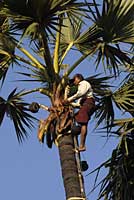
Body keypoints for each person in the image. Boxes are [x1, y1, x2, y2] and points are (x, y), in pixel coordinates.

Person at [64, 74, 95, 152]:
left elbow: (79, 93)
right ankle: (70, 131)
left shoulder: (84, 83)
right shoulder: (82, 93)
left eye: (74, 80)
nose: (74, 82)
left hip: (88, 103)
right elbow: (78, 104)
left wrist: (69, 99)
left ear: (78, 78)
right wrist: (69, 103)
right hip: (86, 104)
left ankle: (82, 146)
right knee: (75, 117)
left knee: (83, 123)